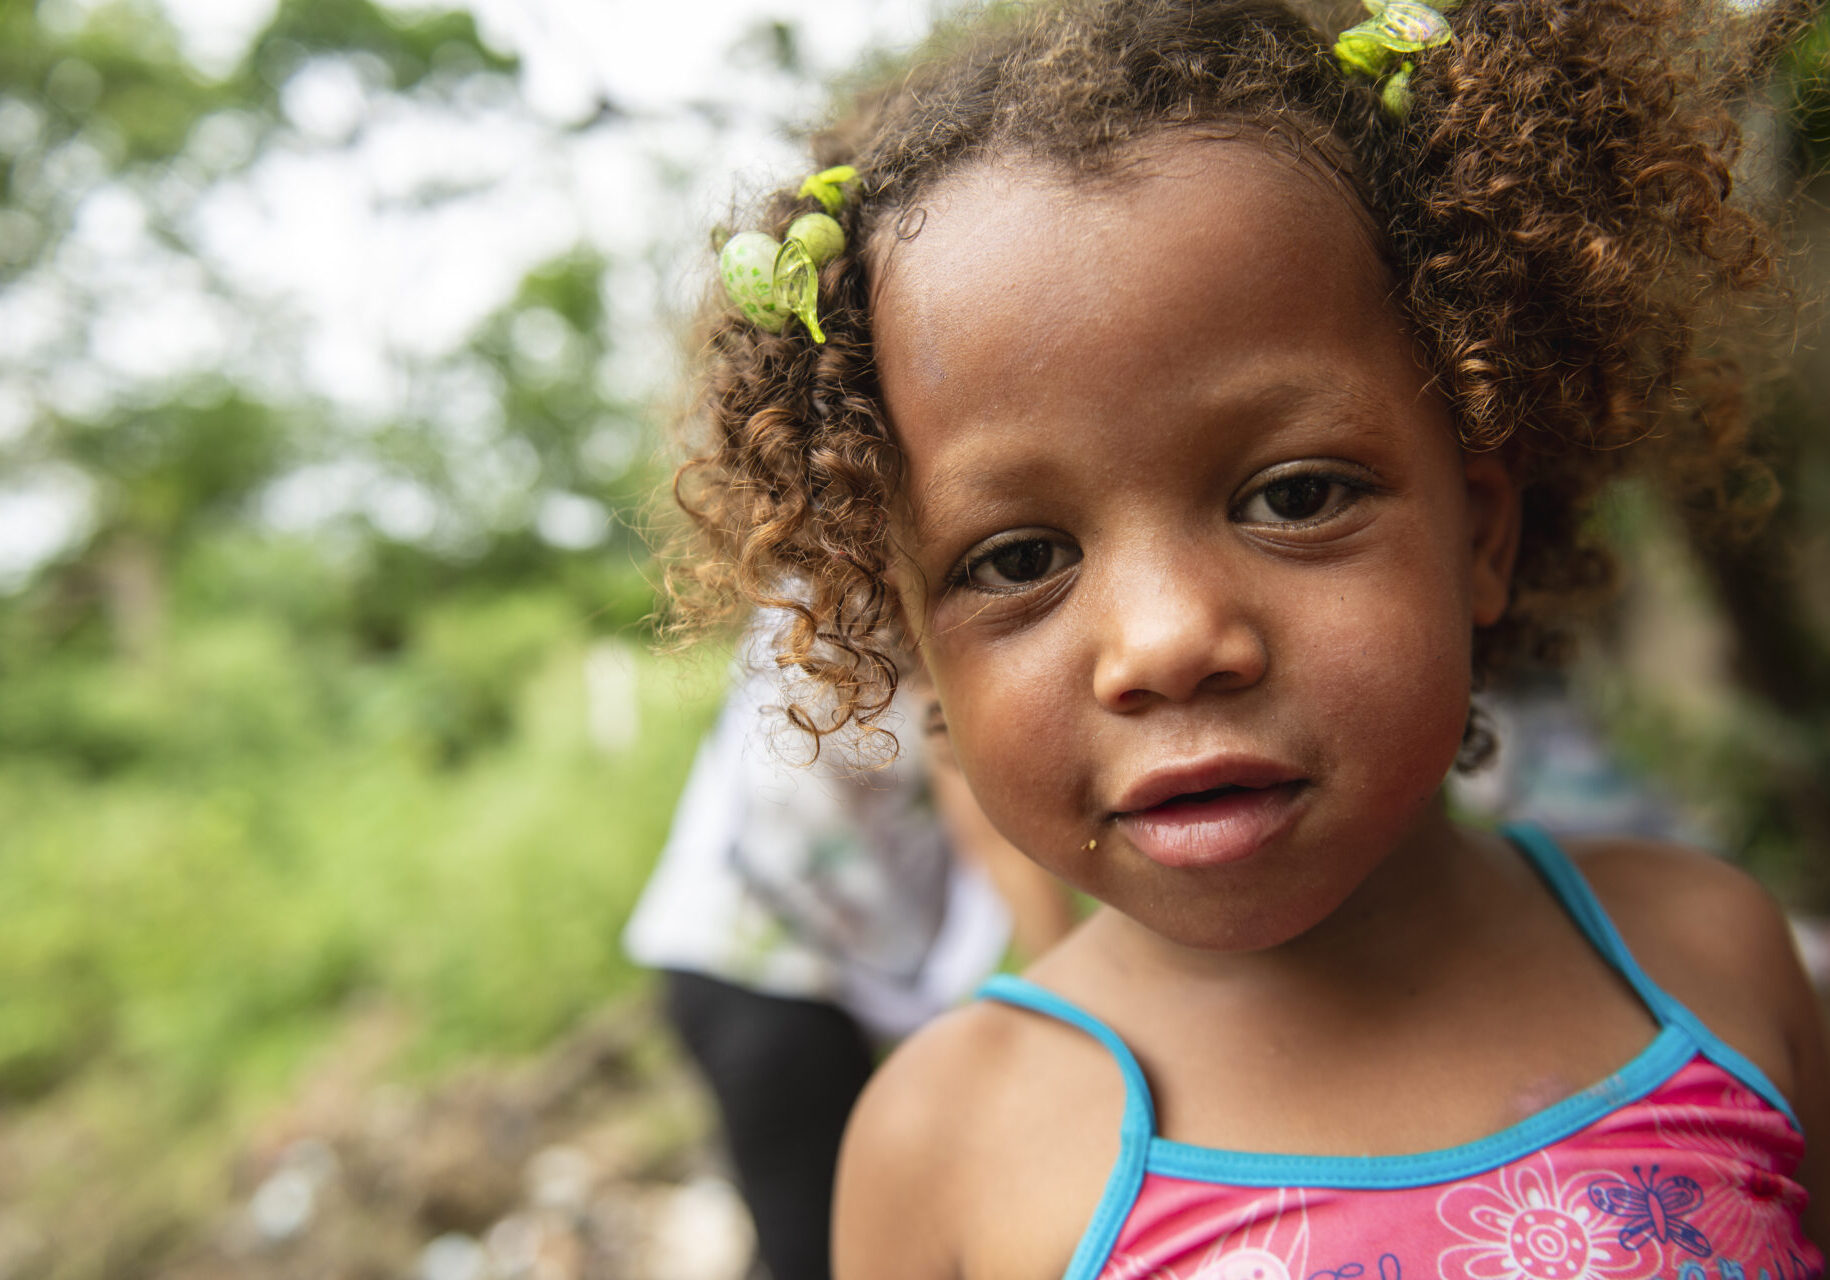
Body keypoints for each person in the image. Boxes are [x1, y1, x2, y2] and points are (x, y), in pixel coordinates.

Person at [660, 0, 1830, 1274]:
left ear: (1480, 536)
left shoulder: (1708, 955)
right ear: (916, 646)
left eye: (1297, 494)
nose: (1166, 641)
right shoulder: (947, 1147)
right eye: (1019, 560)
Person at [624, 620, 1073, 1280]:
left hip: (734, 960)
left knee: (804, 1215)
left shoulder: (812, 598)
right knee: (821, 1244)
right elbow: (994, 844)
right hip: (761, 971)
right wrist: (1085, 1011)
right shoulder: (892, 617)